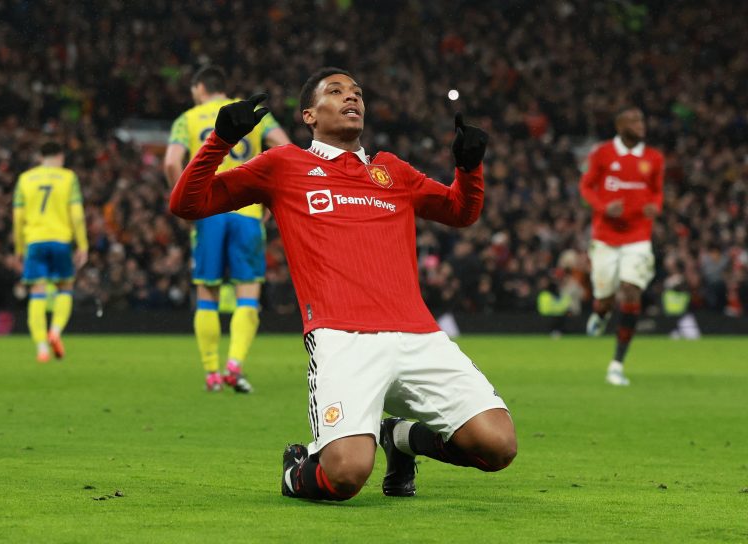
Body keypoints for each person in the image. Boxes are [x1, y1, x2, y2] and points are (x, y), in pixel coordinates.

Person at [170, 67, 517, 501]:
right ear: (309, 115)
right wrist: (219, 142)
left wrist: (469, 168)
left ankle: (400, 439)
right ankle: (296, 471)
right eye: (335, 92)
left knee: (498, 446)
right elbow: (187, 203)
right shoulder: (284, 165)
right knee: (347, 476)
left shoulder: (392, 170)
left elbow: (460, 211)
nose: (351, 98)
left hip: (419, 335)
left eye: (357, 93)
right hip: (341, 337)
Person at [163, 65, 290, 393]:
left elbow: (170, 161)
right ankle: (235, 366)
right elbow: (283, 145)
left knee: (207, 292)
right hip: (247, 211)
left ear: (200, 88)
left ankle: (212, 374)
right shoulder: (249, 110)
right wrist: (269, 193)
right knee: (248, 291)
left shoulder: (188, 119)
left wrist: (186, 200)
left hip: (208, 209)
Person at [579, 107, 665, 386]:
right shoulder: (602, 154)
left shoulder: (654, 157)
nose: (641, 124)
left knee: (630, 291)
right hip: (605, 237)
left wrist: (656, 206)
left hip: (638, 236)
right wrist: (604, 207)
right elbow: (586, 187)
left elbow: (657, 190)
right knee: (605, 298)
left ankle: (616, 364)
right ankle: (601, 312)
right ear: (620, 125)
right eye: (635, 120)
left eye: (642, 119)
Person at [13, 141, 88, 362]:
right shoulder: (68, 178)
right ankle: (55, 331)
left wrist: (19, 247)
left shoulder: (25, 179)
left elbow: (18, 218)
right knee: (65, 287)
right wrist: (82, 244)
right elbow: (77, 214)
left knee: (37, 292)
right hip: (60, 240)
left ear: (39, 156)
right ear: (60, 156)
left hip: (35, 241)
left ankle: (41, 348)